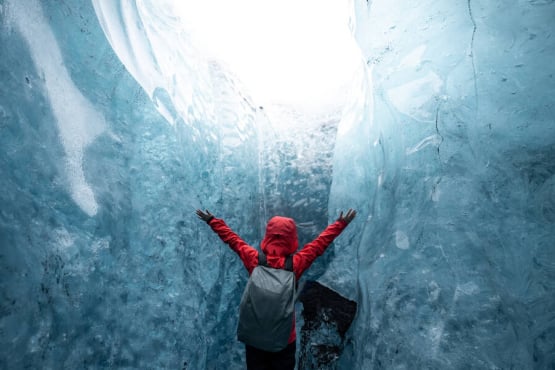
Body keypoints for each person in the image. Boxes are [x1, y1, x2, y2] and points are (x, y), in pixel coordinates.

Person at [196, 208, 357, 370]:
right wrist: (341, 223)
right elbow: (320, 244)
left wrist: (212, 221)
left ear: (268, 236)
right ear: (292, 239)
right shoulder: (295, 265)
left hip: (255, 339)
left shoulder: (254, 260)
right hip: (284, 341)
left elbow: (233, 240)